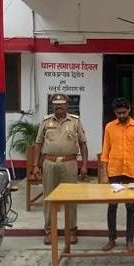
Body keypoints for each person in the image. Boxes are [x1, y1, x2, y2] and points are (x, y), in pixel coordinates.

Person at [32, 93, 89, 246]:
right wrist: (35, 165)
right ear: (52, 106)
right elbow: (38, 143)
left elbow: (83, 143)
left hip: (69, 163)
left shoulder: (75, 121)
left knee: (71, 198)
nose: (59, 106)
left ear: (67, 105)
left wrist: (84, 165)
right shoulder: (46, 122)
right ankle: (49, 231)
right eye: (56, 104)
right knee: (49, 198)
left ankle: (71, 231)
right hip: (49, 163)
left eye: (62, 104)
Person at [100, 97, 134, 253]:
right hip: (114, 171)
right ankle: (111, 239)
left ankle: (130, 240)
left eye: (124, 112)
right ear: (115, 112)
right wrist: (104, 174)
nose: (121, 115)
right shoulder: (109, 127)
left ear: (129, 110)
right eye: (118, 113)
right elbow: (105, 151)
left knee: (130, 206)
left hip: (131, 172)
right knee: (112, 206)